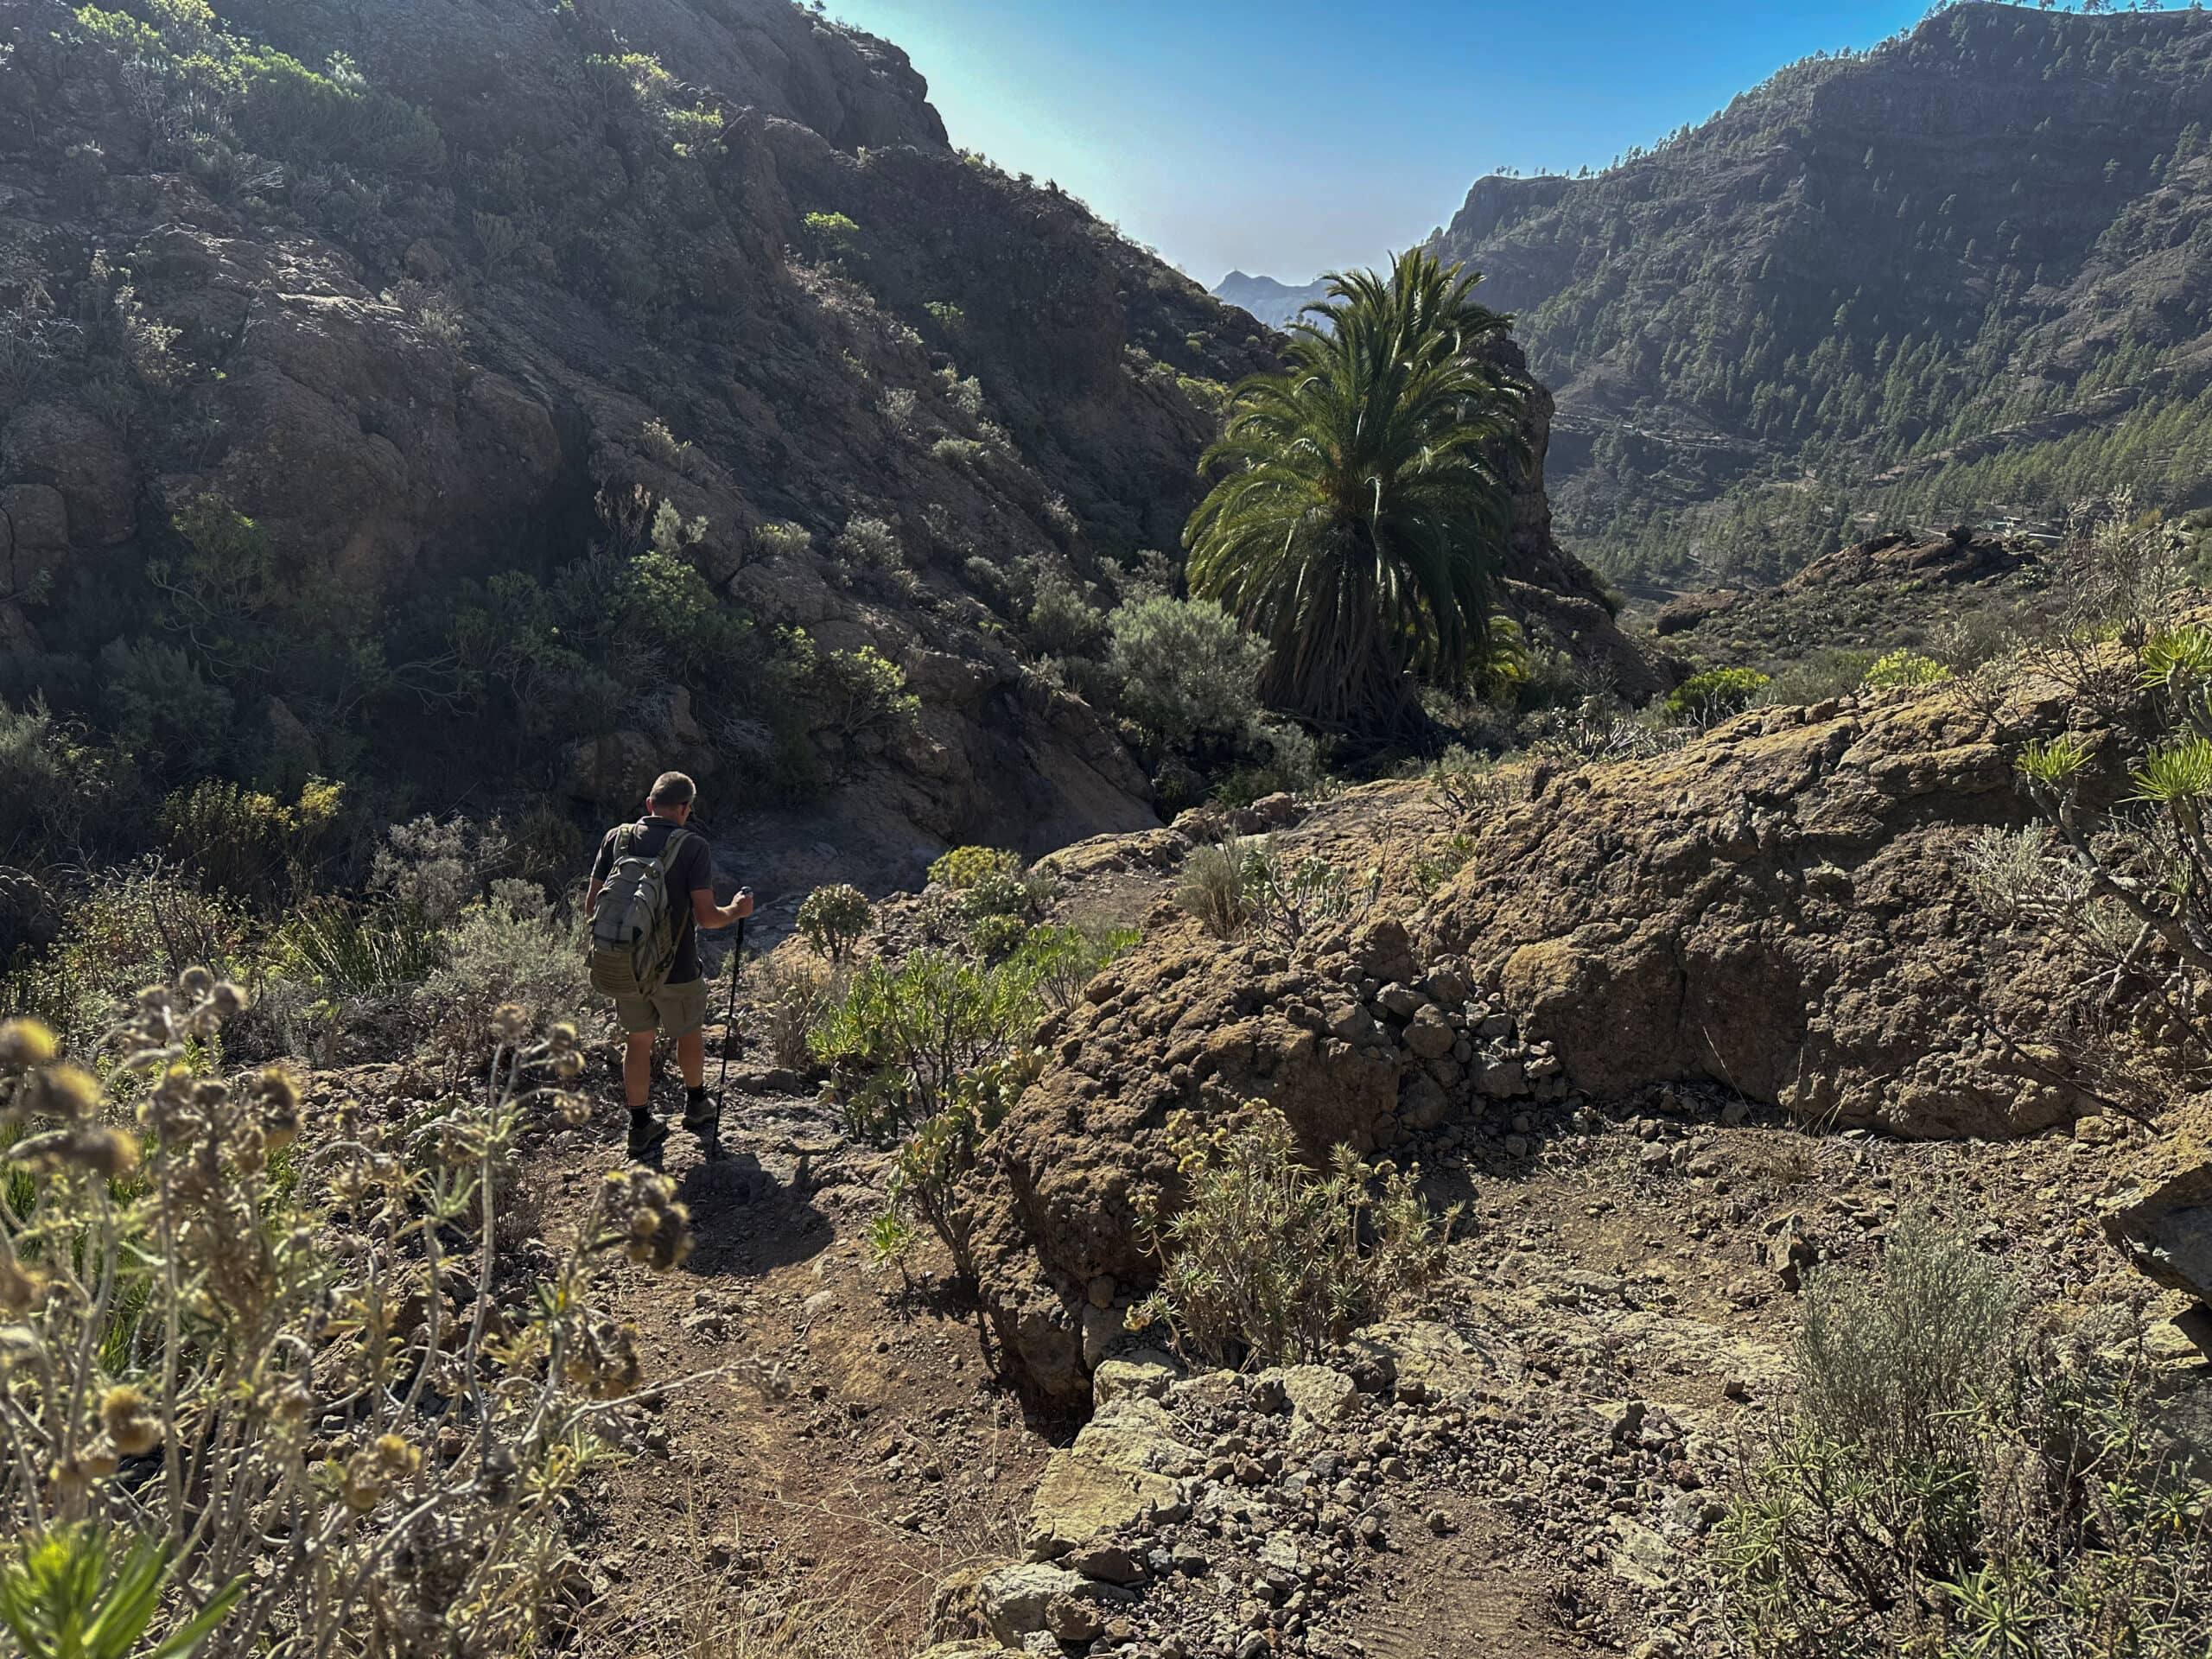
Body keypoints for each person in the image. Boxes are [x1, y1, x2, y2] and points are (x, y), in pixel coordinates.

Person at [586, 772, 753, 1167]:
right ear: (685, 809)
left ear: (648, 804)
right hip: (676, 967)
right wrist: (738, 910)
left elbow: (592, 906)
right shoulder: (692, 846)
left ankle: (640, 1125)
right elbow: (708, 918)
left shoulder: (616, 838)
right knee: (688, 1033)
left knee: (638, 1042)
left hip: (626, 964)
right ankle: (696, 1104)